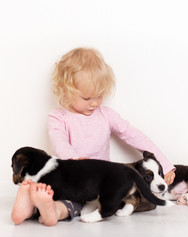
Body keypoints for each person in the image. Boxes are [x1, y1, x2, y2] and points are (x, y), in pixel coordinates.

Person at [11, 48, 175, 226]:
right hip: (67, 177)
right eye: (87, 97)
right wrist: (73, 159)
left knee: (76, 203)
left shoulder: (106, 115)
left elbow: (134, 136)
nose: (95, 103)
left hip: (96, 183)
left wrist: (164, 165)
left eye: (99, 96)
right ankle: (29, 202)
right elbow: (59, 142)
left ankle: (51, 210)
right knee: (49, 187)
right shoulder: (58, 117)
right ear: (66, 91)